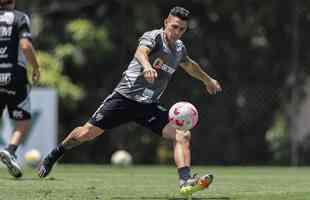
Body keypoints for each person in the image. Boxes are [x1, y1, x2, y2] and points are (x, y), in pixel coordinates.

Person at [38, 6, 221, 196]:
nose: (177, 32)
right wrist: (147, 65)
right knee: (85, 134)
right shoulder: (153, 37)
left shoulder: (179, 48)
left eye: (182, 29)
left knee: (182, 135)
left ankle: (185, 182)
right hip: (124, 99)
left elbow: (190, 66)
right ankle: (55, 154)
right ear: (166, 22)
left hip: (148, 106)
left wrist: (208, 80)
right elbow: (140, 52)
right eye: (174, 27)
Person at [0, 0, 40, 178]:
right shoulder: (20, 17)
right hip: (14, 76)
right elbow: (25, 46)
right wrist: (36, 67)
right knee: (22, 120)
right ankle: (10, 149)